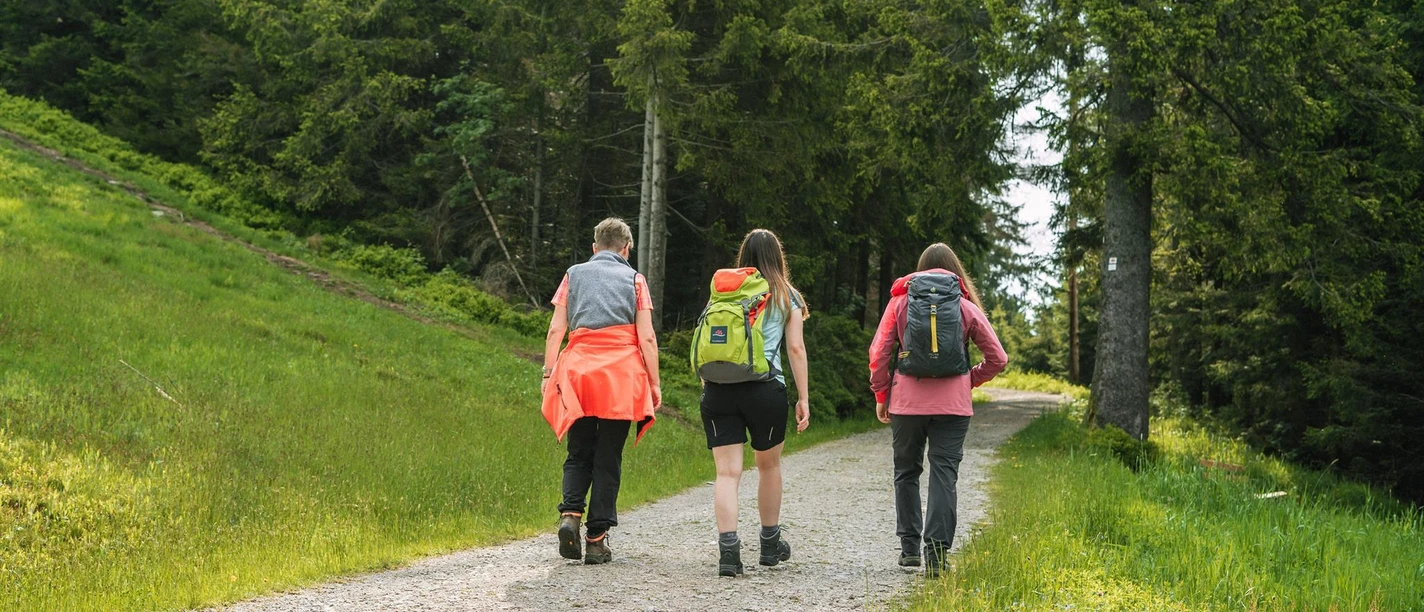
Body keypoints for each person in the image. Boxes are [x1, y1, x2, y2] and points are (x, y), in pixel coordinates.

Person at [868, 243, 1007, 577]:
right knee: (944, 474)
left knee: (906, 472)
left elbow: (879, 353)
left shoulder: (900, 302)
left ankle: (909, 550)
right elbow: (998, 358)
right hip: (954, 406)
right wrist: (969, 380)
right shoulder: (964, 306)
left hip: (907, 404)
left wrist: (881, 393)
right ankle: (937, 557)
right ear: (955, 271)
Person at [541, 218, 661, 565]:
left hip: (578, 373)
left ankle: (570, 515)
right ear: (627, 249)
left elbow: (555, 330)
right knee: (609, 456)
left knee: (579, 451)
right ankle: (596, 540)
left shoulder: (573, 274)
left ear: (594, 248)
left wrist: (549, 375)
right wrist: (653, 384)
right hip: (621, 377)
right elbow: (647, 337)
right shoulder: (635, 279)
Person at [698, 229, 811, 577]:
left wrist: (708, 383)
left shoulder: (723, 290)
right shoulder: (785, 295)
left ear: (743, 256)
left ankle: (729, 552)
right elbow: (795, 349)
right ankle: (769, 544)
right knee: (768, 467)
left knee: (726, 473)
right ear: (778, 257)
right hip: (765, 389)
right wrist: (804, 397)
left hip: (719, 388)